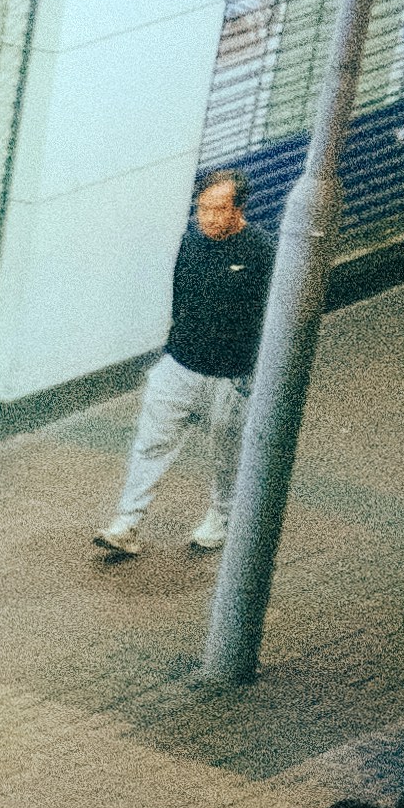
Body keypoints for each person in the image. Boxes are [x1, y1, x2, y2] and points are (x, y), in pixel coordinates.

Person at [102, 170, 272, 562]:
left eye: (219, 210)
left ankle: (223, 517)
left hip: (231, 378)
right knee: (150, 443)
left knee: (226, 454)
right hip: (179, 367)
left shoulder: (262, 252)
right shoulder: (190, 241)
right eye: (203, 209)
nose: (209, 219)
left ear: (239, 209)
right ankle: (126, 523)